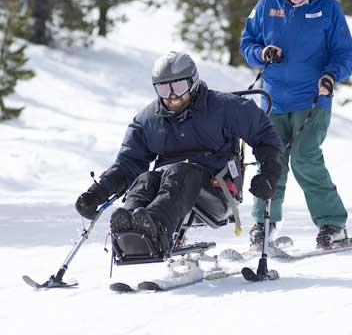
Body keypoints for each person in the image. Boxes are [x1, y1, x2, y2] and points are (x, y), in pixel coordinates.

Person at [75, 51, 283, 254]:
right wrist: (98, 192)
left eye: (178, 87)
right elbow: (128, 162)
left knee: (180, 172)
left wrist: (269, 172)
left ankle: (155, 227)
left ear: (193, 82)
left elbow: (264, 132)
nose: (172, 96)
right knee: (145, 179)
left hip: (218, 191)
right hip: (169, 186)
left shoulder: (224, 107)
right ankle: (127, 230)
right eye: (164, 89)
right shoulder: (148, 120)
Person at [240, 0, 352, 249]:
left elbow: (344, 53)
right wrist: (262, 53)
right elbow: (247, 41)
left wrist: (331, 76)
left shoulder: (328, 7)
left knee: (305, 157)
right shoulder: (268, 4)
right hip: (273, 100)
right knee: (271, 159)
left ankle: (333, 223)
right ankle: (263, 224)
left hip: (313, 99)